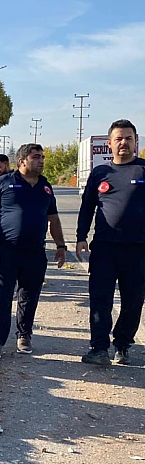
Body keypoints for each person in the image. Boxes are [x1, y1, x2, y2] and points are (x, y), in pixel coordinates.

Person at [0, 143, 66, 359]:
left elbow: (53, 219)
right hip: (6, 250)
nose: (41, 160)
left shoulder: (45, 187)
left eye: (42, 157)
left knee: (29, 295)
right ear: (22, 161)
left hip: (35, 252)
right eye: (36, 157)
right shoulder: (4, 182)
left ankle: (24, 336)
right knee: (2, 295)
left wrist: (61, 245)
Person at [77, 119, 145, 366]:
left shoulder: (143, 170)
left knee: (134, 300)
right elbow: (87, 208)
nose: (124, 142)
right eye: (119, 138)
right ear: (110, 144)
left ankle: (123, 344)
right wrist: (81, 237)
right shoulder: (100, 173)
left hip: (138, 249)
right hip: (105, 248)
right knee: (100, 298)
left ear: (136, 141)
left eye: (128, 138)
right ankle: (98, 348)